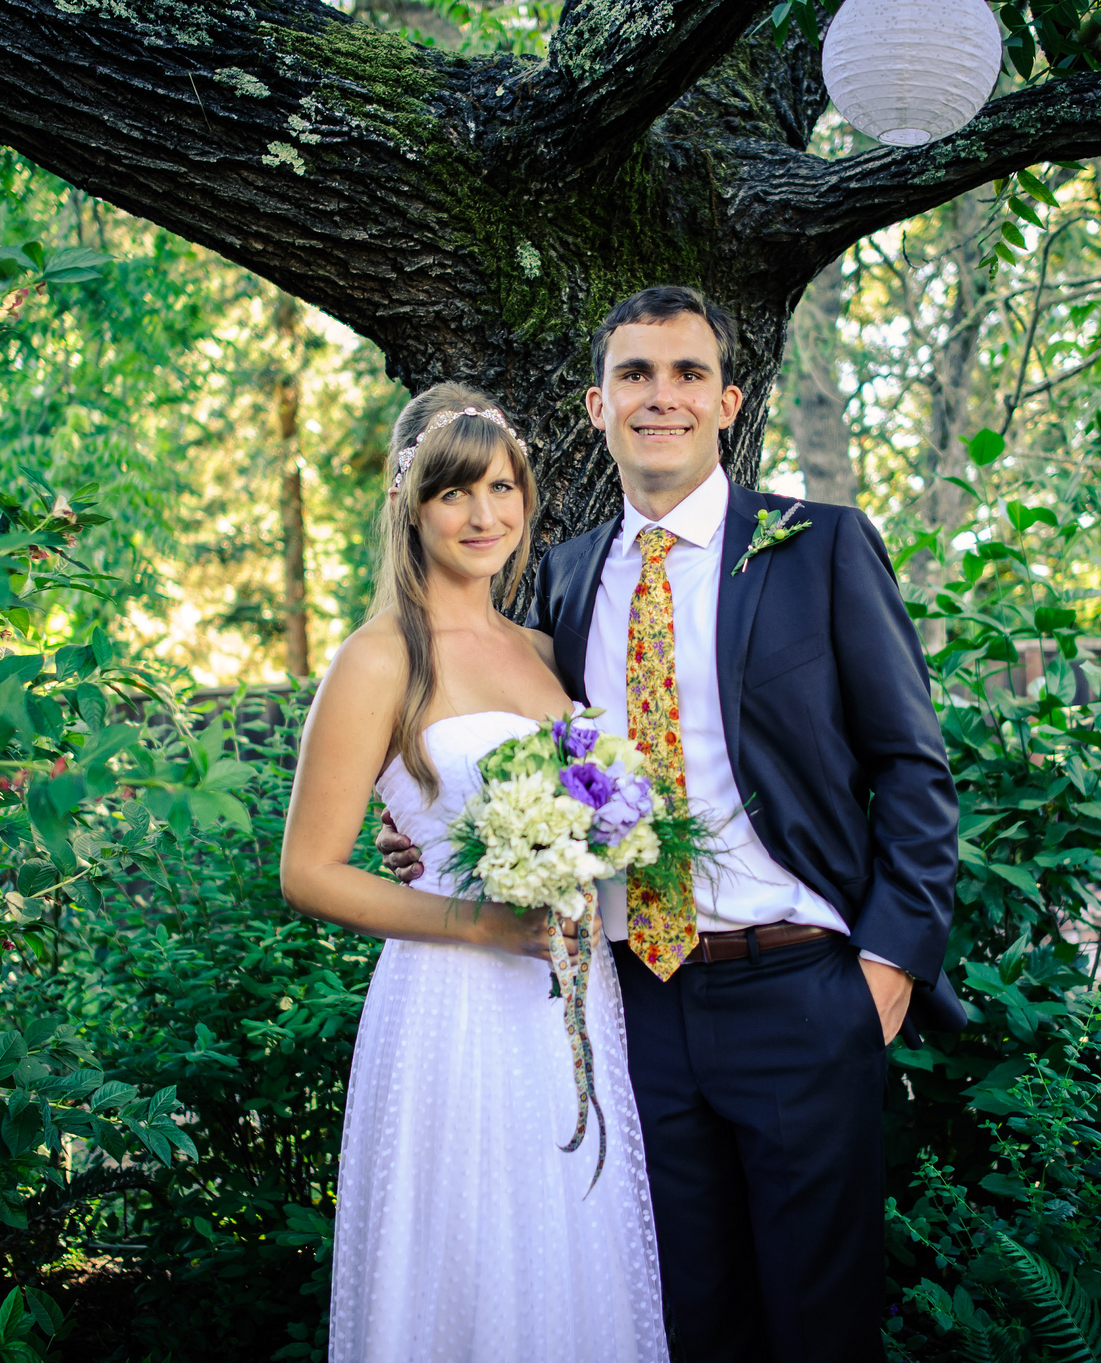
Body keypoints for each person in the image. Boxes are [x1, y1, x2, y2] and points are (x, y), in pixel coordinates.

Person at [379, 286, 963, 1363]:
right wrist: (432, 827)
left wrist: (887, 967)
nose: (662, 396)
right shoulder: (561, 581)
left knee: (820, 1329)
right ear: (596, 406)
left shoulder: (821, 548)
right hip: (629, 1005)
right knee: (684, 1323)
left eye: (688, 373)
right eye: (635, 375)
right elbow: (511, 747)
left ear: (728, 402)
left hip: (796, 990)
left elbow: (913, 770)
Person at [279, 382, 668, 1363]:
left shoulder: (542, 650)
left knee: (569, 1261)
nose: (483, 514)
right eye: (453, 491)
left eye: (501, 487)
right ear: (409, 505)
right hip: (451, 1009)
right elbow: (308, 870)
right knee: (467, 1262)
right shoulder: (377, 660)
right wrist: (477, 921)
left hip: (570, 1003)